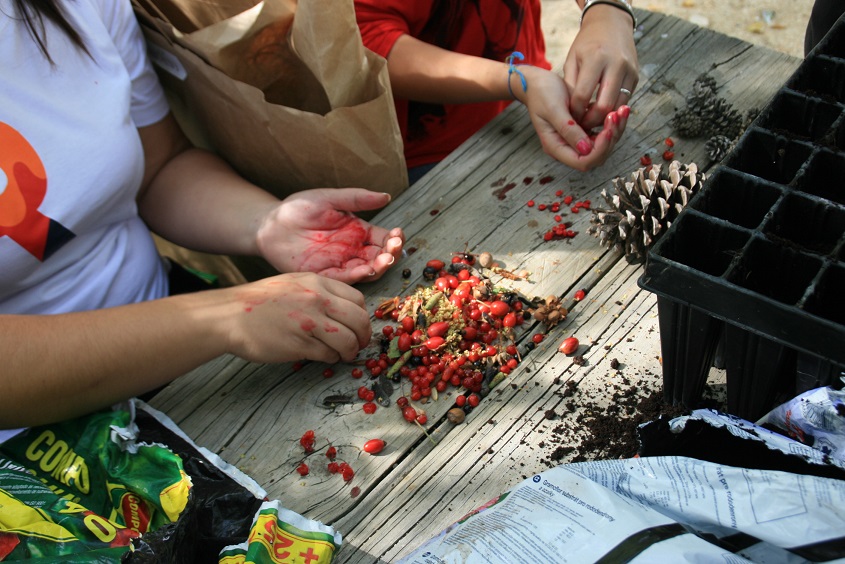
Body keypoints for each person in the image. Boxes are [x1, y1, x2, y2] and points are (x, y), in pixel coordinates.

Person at [0, 0, 405, 430]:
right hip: (37, 435)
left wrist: (266, 223)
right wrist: (225, 316)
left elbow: (160, 167)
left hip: (183, 346)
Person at [354, 0, 639, 183]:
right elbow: (368, 43)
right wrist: (518, 80)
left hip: (525, 101)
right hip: (427, 157)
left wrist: (608, 11)